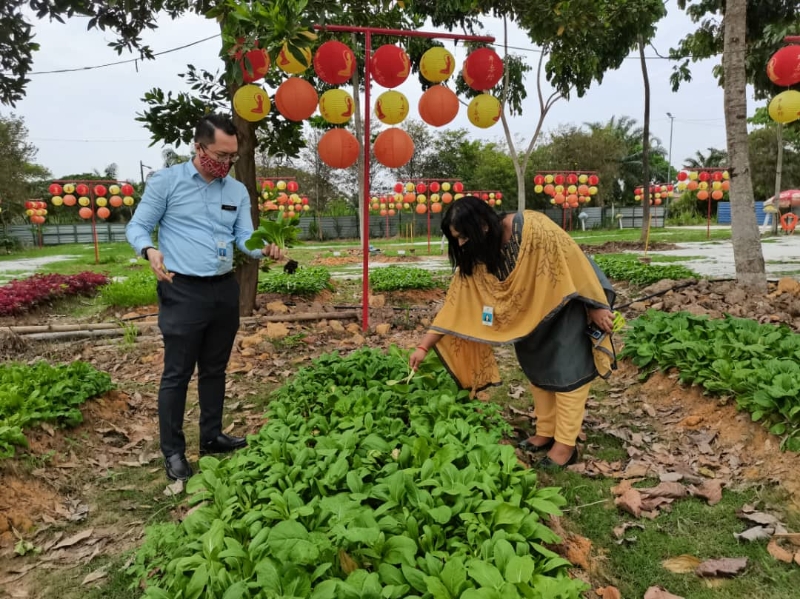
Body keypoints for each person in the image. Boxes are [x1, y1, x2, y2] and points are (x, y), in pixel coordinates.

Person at [126, 113, 282, 482]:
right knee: (177, 373)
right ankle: (174, 452)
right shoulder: (167, 182)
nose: (226, 163)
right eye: (221, 155)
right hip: (182, 289)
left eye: (232, 156)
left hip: (223, 289)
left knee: (215, 368)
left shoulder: (236, 190)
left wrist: (265, 248)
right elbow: (138, 225)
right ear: (198, 147)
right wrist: (149, 250)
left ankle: (211, 436)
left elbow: (244, 237)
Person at [409, 196, 616, 468]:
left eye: (463, 237)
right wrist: (423, 346)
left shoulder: (534, 228)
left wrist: (596, 304)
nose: (460, 244)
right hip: (528, 321)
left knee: (568, 374)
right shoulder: (478, 254)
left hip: (564, 307)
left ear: (482, 226)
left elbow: (576, 260)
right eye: (455, 238)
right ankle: (546, 431)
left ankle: (566, 446)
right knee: (538, 373)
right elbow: (454, 305)